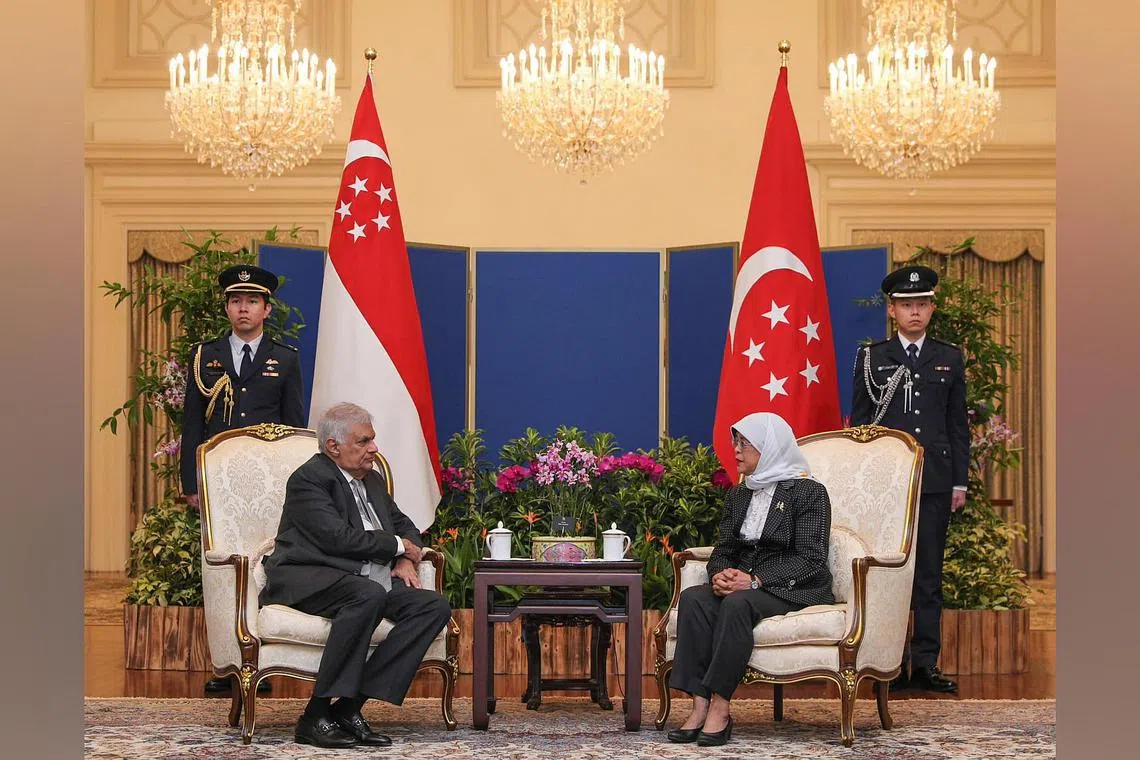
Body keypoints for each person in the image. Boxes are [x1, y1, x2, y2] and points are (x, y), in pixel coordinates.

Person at [259, 402, 452, 749]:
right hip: (309, 576)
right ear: (334, 446)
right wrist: (397, 547)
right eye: (364, 441)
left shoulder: (371, 479)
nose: (374, 449)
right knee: (367, 594)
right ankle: (315, 716)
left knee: (432, 607)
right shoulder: (309, 480)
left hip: (365, 577)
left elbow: (405, 526)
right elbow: (338, 538)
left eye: (372, 440)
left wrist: (404, 558)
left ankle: (349, 707)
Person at [667, 412, 834, 746]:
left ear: (769, 447)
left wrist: (755, 580)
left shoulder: (808, 492)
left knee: (737, 604)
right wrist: (719, 574)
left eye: (745, 443)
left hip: (790, 586)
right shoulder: (740, 494)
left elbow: (811, 559)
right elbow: (724, 549)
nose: (736, 449)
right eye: (736, 441)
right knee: (694, 598)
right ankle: (699, 706)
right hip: (744, 582)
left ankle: (720, 707)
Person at [179, 262, 306, 693]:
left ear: (267, 309)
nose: (243, 309)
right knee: (219, 570)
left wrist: (295, 486)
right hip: (220, 485)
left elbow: (294, 427)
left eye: (252, 301)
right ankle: (224, 665)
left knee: (262, 569)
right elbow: (192, 425)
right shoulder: (205, 356)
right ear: (227, 308)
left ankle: (258, 664)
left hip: (269, 486)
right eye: (236, 301)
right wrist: (192, 483)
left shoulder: (285, 359)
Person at [851, 264, 969, 694]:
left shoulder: (949, 357)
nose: (914, 312)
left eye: (921, 304)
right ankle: (888, 664)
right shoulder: (872, 359)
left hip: (934, 480)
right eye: (906, 305)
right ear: (892, 311)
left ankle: (925, 664)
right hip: (888, 486)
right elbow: (860, 429)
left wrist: (959, 483)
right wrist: (863, 485)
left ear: (932, 309)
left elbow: (957, 426)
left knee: (929, 574)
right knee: (888, 575)